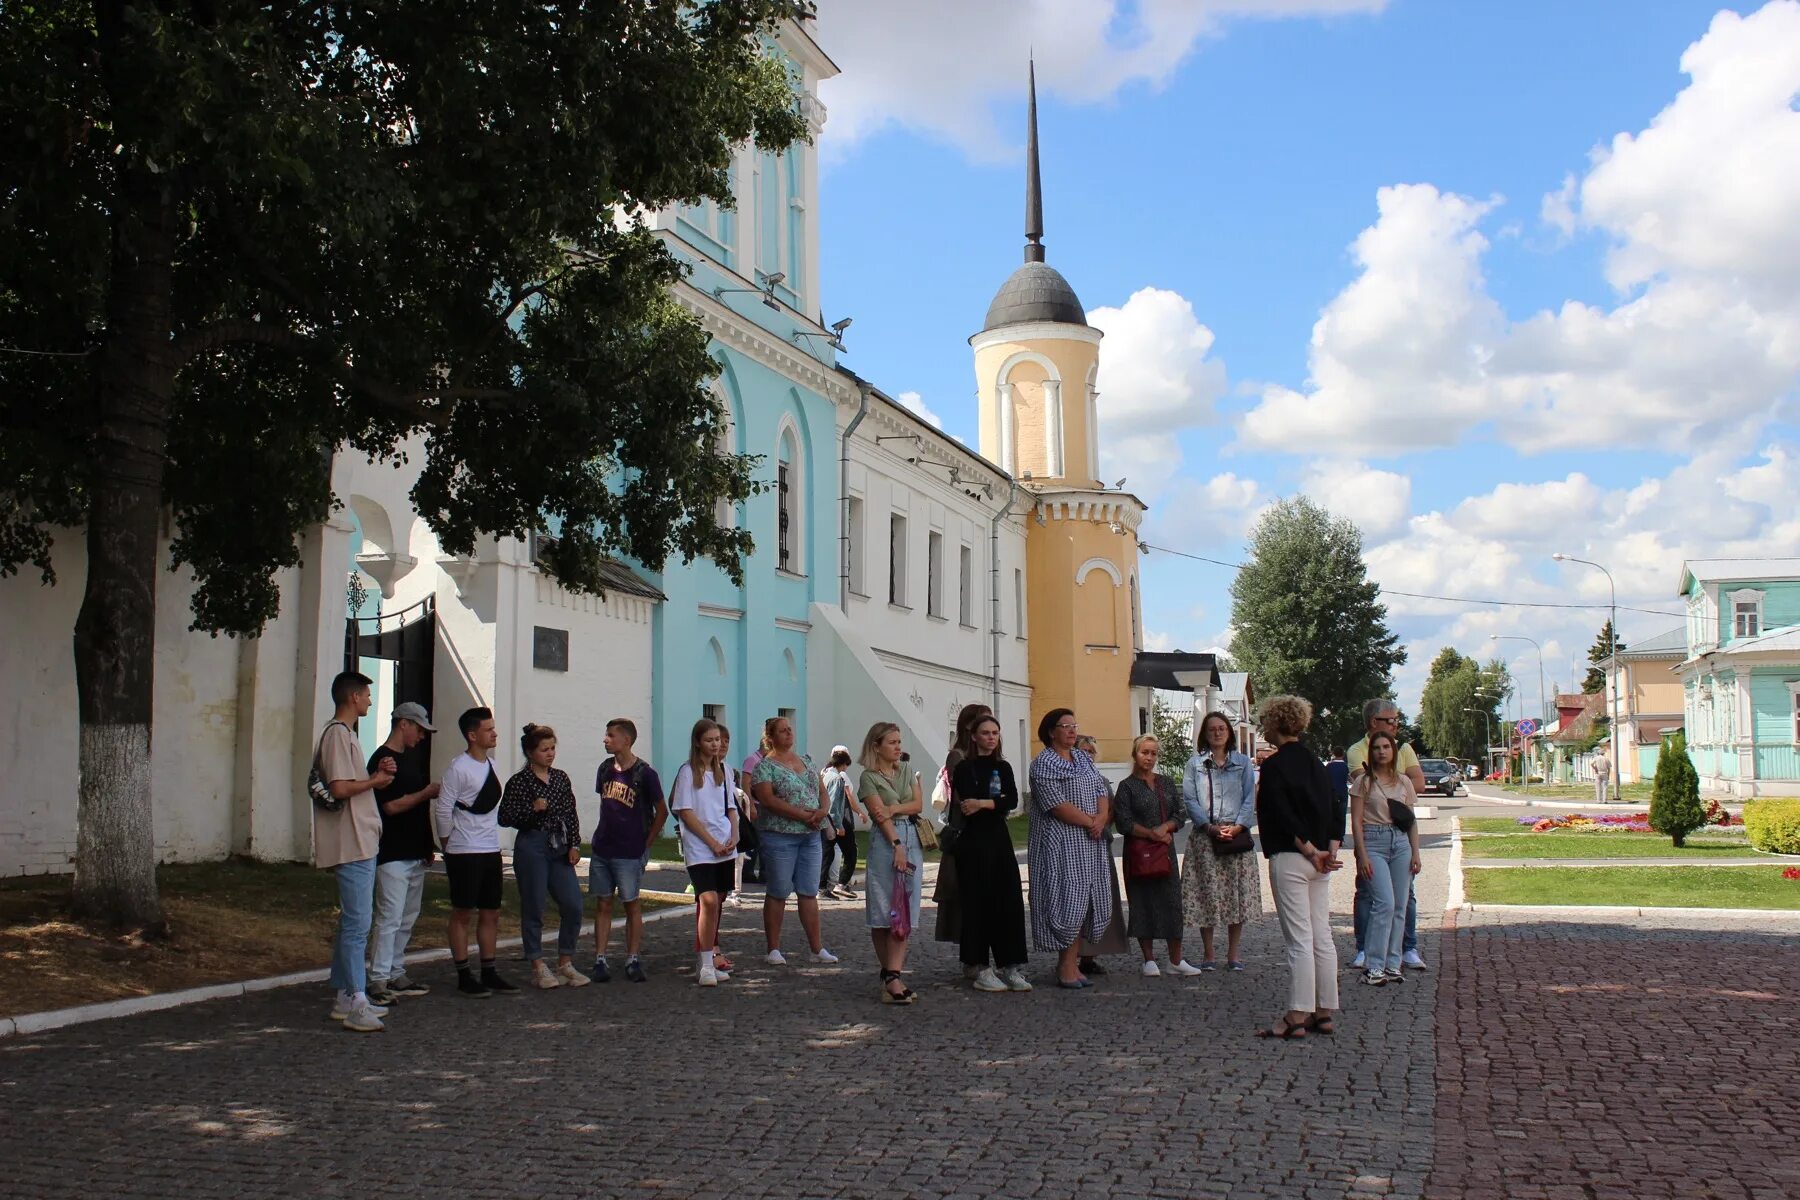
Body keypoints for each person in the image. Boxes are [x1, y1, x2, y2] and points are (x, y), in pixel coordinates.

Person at [1254, 695, 1342, 1040]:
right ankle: (1324, 1011)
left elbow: (1279, 812)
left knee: (1299, 940)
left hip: (1293, 856)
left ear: (1276, 723)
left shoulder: (1275, 766)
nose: (1264, 728)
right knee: (1322, 935)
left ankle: (1297, 1013)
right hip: (1321, 857)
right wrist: (1328, 848)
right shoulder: (1316, 764)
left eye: (1265, 722)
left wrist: (1306, 848)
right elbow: (1336, 807)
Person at [314, 671, 394, 1032]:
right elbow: (341, 787)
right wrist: (375, 781)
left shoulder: (345, 735)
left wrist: (375, 775)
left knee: (354, 922)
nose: (370, 701)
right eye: (366, 695)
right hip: (351, 840)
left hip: (360, 837)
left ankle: (347, 994)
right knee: (358, 923)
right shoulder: (336, 735)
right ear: (352, 698)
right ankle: (355, 998)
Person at [434, 706, 519, 997]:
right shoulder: (458, 768)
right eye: (488, 729)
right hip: (464, 849)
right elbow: (443, 808)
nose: (494, 733)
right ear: (472, 735)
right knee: (462, 912)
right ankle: (463, 973)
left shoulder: (492, 766)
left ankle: (489, 970)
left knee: (491, 912)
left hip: (489, 848)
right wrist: (447, 843)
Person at [1027, 709, 1114, 989]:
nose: (1072, 730)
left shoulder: (1083, 758)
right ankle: (1065, 966)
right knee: (1067, 899)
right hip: (1061, 843)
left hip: (1090, 840)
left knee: (1086, 901)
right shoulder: (1043, 765)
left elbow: (1101, 789)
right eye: (1065, 726)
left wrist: (1101, 818)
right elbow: (1057, 805)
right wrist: (1092, 821)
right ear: (1051, 731)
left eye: (1074, 725)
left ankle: (1073, 964)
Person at [499, 723, 587, 990]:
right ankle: (537, 964)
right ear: (530, 752)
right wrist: (532, 810)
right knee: (534, 904)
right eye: (544, 749)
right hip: (532, 844)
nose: (550, 754)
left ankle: (565, 961)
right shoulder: (519, 782)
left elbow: (570, 812)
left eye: (552, 748)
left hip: (559, 845)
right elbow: (505, 817)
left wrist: (574, 844)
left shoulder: (560, 778)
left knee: (573, 904)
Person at [366, 701, 441, 1008]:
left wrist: (427, 845)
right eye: (419, 729)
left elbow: (418, 809)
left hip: (413, 850)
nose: (422, 736)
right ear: (403, 724)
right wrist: (425, 793)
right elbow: (391, 806)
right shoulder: (383, 760)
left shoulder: (410, 760)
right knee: (390, 917)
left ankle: (396, 971)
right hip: (392, 851)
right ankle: (378, 978)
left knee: (407, 917)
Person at [949, 714, 1030, 992]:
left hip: (998, 839)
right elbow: (967, 803)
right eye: (985, 733)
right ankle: (980, 965)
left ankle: (1011, 964)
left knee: (1008, 900)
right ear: (974, 736)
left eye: (995, 732)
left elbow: (1012, 800)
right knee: (977, 903)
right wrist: (991, 803)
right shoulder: (964, 768)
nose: (991, 737)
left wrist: (985, 803)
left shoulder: (1003, 766)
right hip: (973, 842)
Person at [750, 716, 839, 966]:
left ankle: (817, 947)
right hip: (780, 835)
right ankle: (774, 948)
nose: (789, 733)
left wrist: (823, 810)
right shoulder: (765, 767)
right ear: (771, 737)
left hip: (810, 834)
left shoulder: (806, 760)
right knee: (778, 891)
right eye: (782, 731)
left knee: (808, 891)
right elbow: (768, 799)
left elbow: (821, 790)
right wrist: (802, 815)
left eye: (790, 729)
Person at [1347, 700, 1428, 972]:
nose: (1395, 725)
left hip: (1400, 839)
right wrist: (1361, 853)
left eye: (1396, 721)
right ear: (1373, 723)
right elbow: (1359, 814)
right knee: (1379, 900)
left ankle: (1398, 957)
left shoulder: (1404, 759)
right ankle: (1370, 956)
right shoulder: (1358, 760)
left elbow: (1417, 788)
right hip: (1374, 838)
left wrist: (1416, 852)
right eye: (1390, 721)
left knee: (1401, 903)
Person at [1181, 712, 1264, 971]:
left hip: (1235, 836)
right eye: (1212, 729)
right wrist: (1209, 827)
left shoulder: (1242, 763)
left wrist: (1239, 825)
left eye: (1221, 729)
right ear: (1205, 734)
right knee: (1207, 894)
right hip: (1206, 837)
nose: (1217, 733)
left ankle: (1234, 953)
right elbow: (1190, 799)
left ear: (1229, 732)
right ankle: (1208, 953)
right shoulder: (1194, 764)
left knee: (1235, 895)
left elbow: (1250, 796)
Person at [589, 717, 667, 983]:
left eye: (611, 735)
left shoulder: (645, 773)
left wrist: (647, 842)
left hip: (629, 851)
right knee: (603, 902)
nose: (605, 739)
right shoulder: (604, 769)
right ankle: (600, 958)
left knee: (631, 903)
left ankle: (632, 958)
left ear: (627, 740)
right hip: (603, 848)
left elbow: (661, 810)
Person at [1114, 736, 1197, 977]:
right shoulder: (1127, 786)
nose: (1149, 758)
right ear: (1135, 754)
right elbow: (1123, 822)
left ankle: (1176, 958)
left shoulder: (1166, 783)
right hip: (1140, 851)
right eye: (1144, 752)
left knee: (1172, 901)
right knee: (1142, 901)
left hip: (1165, 850)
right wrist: (1151, 833)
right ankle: (1148, 958)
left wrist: (1166, 827)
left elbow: (1179, 813)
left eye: (1153, 753)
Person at [859, 722, 925, 1003]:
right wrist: (897, 845)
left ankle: (893, 976)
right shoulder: (868, 778)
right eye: (892, 742)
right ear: (876, 746)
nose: (898, 747)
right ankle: (891, 974)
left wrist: (895, 807)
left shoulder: (907, 770)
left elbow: (917, 805)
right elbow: (878, 815)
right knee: (884, 911)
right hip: (886, 842)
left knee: (904, 910)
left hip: (912, 835)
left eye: (899, 742)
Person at [670, 719, 738, 986]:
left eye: (718, 740)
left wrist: (734, 835)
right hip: (701, 846)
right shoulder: (688, 772)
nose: (715, 744)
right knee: (707, 900)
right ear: (698, 742)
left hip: (725, 844)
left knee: (718, 900)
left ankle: (707, 955)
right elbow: (685, 811)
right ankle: (707, 963)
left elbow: (731, 806)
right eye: (709, 740)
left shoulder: (726, 771)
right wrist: (710, 842)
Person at [935, 703, 993, 968]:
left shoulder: (988, 756)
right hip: (966, 832)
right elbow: (963, 798)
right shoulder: (958, 756)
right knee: (963, 897)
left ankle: (980, 953)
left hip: (986, 830)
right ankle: (971, 959)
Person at [1073, 733, 1128, 973]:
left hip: (1099, 845)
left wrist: (1101, 822)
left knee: (1100, 902)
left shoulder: (1102, 781)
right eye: (1084, 751)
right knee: (1075, 902)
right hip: (1075, 847)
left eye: (1091, 752)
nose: (1089, 755)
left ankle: (1090, 956)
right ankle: (1069, 957)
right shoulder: (1067, 779)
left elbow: (1112, 811)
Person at [819, 746, 861, 899]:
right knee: (850, 852)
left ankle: (822, 887)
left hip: (824, 819)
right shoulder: (837, 778)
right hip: (834, 820)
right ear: (843, 764)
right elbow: (834, 804)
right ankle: (841, 883)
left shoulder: (824, 774)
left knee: (827, 854)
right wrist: (838, 825)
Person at [726, 725, 760, 901]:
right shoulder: (739, 792)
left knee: (737, 861)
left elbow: (742, 810)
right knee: (736, 862)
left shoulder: (738, 793)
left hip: (737, 828)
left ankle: (735, 890)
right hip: (731, 828)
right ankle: (734, 891)